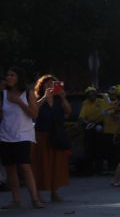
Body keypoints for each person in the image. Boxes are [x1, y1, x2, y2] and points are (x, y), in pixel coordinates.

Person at [1, 68, 44, 208]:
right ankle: (16, 200)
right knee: (10, 169)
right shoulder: (3, 94)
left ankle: (34, 199)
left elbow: (34, 114)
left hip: (23, 135)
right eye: (7, 75)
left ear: (18, 77)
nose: (9, 77)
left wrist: (18, 102)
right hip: (6, 135)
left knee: (25, 166)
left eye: (12, 74)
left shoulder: (28, 93)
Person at [32, 75, 72, 203]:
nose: (50, 86)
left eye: (53, 84)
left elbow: (68, 111)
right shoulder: (37, 98)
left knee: (56, 164)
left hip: (57, 135)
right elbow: (33, 111)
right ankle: (37, 193)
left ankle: (54, 192)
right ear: (42, 86)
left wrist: (63, 97)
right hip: (41, 135)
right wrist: (45, 98)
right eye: (47, 84)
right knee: (41, 164)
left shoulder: (58, 100)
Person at [78, 86, 109, 174]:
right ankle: (89, 169)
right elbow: (81, 117)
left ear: (96, 94)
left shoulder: (101, 101)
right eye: (89, 94)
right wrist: (88, 123)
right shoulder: (85, 103)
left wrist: (96, 122)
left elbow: (105, 114)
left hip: (99, 126)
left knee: (100, 148)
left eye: (93, 93)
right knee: (89, 149)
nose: (91, 95)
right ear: (87, 95)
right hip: (89, 127)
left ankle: (99, 168)